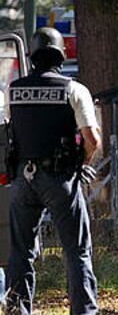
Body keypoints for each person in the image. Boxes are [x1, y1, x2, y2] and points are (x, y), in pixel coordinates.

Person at [5, 27, 100, 314]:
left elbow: (12, 130)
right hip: (60, 178)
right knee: (77, 250)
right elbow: (92, 139)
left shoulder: (14, 89)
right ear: (61, 55)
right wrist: (81, 163)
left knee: (21, 252)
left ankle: (17, 309)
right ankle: (84, 311)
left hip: (23, 177)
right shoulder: (74, 88)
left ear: (32, 56)